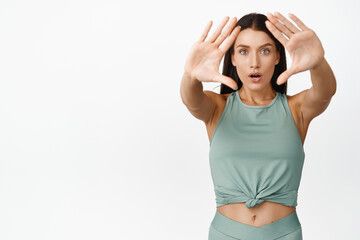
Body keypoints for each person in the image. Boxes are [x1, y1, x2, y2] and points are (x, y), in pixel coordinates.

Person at [180, 12, 336, 240]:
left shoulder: (295, 109)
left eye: (265, 51)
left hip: (284, 234)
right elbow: (190, 99)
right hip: (226, 234)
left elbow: (324, 93)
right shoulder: (217, 108)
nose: (254, 62)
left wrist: (318, 63)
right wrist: (190, 76)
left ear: (276, 56)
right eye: (243, 51)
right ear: (232, 58)